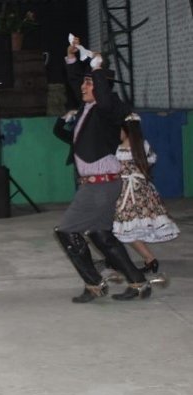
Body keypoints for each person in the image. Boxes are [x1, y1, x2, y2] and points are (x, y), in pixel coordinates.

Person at [53, 36, 150, 303]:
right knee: (100, 234)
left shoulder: (110, 109)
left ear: (101, 87)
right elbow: (76, 84)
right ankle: (138, 283)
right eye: (84, 82)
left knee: (66, 231)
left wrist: (97, 68)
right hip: (99, 184)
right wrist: (72, 57)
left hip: (100, 184)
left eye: (89, 83)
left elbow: (104, 98)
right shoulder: (89, 106)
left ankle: (94, 283)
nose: (83, 87)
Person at [113, 113, 179, 275]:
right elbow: (151, 162)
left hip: (126, 193)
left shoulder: (118, 148)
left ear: (125, 130)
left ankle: (146, 260)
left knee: (122, 230)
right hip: (142, 190)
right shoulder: (143, 145)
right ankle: (148, 260)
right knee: (125, 229)